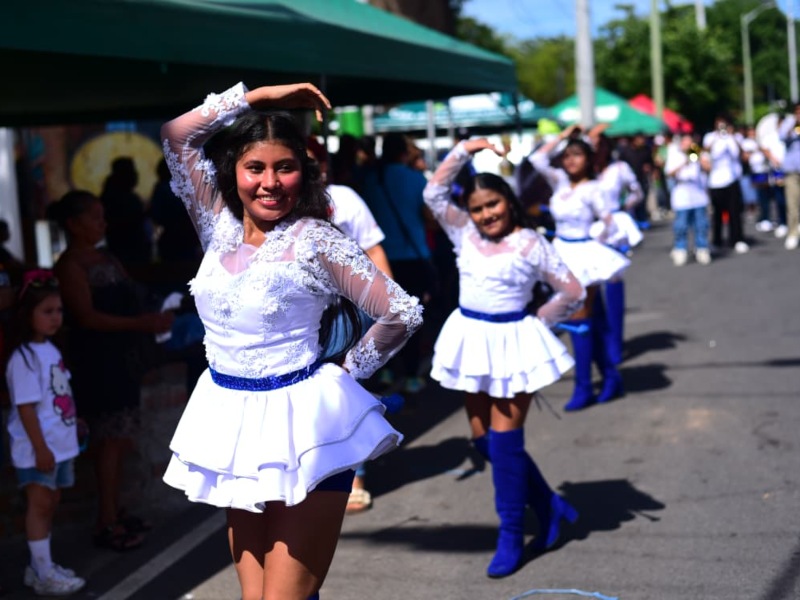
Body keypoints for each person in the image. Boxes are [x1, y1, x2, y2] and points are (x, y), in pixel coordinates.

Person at [160, 82, 422, 600]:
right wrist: (259, 97)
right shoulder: (217, 227)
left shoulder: (314, 239)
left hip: (308, 430)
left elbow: (401, 311)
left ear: (305, 173)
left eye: (286, 167)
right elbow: (175, 136)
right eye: (256, 167)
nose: (270, 182)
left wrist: (345, 372)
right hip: (236, 429)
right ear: (234, 170)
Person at [424, 137, 585, 578]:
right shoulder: (464, 232)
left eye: (493, 204)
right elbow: (433, 194)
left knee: (506, 444)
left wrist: (538, 323)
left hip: (514, 345)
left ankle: (512, 534)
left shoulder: (531, 243)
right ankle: (551, 506)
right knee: (482, 440)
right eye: (478, 208)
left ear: (508, 202)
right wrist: (462, 150)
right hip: (471, 341)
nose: (486, 214)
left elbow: (572, 291)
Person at [49, 191, 174, 551]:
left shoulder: (106, 257)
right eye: (95, 217)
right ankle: (105, 520)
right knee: (107, 441)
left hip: (122, 358)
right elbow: (87, 318)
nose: (102, 223)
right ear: (74, 224)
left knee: (119, 440)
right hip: (97, 361)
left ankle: (115, 510)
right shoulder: (70, 265)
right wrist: (140, 323)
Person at [307, 136, 392, 514]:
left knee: (346, 389)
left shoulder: (344, 198)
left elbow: (373, 248)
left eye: (311, 161)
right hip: (302, 320)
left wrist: (384, 304)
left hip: (345, 315)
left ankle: (355, 476)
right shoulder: (278, 206)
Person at [530, 126, 629, 412]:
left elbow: (608, 221)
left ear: (589, 159)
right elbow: (537, 160)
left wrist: (597, 241)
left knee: (578, 317)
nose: (571, 160)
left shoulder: (595, 188)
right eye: (567, 155)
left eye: (578, 155)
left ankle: (584, 386)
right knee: (590, 318)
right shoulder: (559, 180)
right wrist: (562, 136)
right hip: (560, 252)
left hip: (584, 255)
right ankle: (610, 377)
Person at [5, 269, 86, 596]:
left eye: (59, 311)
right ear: (28, 315)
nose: (55, 318)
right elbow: (25, 408)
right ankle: (42, 572)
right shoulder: (22, 359)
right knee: (39, 505)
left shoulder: (50, 351)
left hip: (59, 446)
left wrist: (75, 423)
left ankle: (42, 565)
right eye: (47, 312)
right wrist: (40, 449)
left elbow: (57, 397)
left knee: (51, 502)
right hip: (40, 450)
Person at [359, 132, 433, 394]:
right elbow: (429, 217)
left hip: (377, 258)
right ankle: (412, 374)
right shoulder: (416, 179)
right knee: (409, 317)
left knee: (380, 316)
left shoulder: (369, 180)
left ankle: (386, 369)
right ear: (404, 153)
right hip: (413, 256)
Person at [592, 132, 644, 366]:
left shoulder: (619, 168)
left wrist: (622, 211)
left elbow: (637, 192)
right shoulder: (581, 175)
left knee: (613, 284)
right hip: (587, 235)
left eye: (596, 144)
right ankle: (599, 346)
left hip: (612, 232)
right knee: (591, 291)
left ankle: (615, 346)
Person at [702, 116, 748, 254]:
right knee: (717, 213)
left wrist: (731, 135)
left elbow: (740, 154)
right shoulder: (710, 137)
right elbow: (706, 152)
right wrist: (717, 137)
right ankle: (717, 240)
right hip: (715, 181)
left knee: (735, 211)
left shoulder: (733, 137)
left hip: (731, 179)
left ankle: (737, 239)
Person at [664, 135, 712, 266]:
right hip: (682, 194)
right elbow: (669, 173)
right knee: (681, 225)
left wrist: (699, 156)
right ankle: (680, 249)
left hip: (698, 193)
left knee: (701, 224)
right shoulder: (675, 155)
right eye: (685, 143)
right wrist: (685, 161)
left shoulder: (698, 154)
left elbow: (708, 168)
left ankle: (702, 248)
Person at [100, 157, 152, 269]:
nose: (135, 175)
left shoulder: (112, 195)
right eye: (131, 171)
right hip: (128, 251)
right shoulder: (120, 197)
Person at [778, 102, 800, 250]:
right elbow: (781, 135)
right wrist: (794, 122)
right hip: (792, 171)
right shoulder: (789, 123)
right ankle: (792, 233)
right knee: (792, 204)